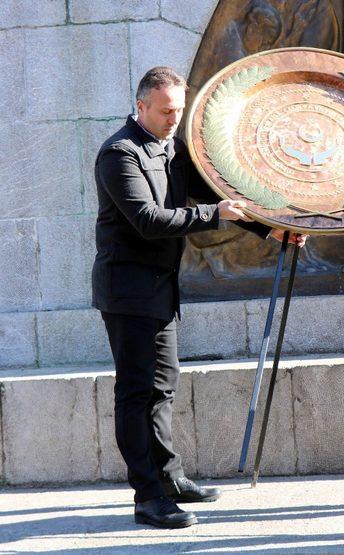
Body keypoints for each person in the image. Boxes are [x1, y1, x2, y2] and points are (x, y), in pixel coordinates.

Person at [92, 66, 304, 529]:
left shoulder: (172, 146)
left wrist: (273, 230)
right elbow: (148, 220)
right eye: (166, 111)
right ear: (141, 105)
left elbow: (216, 193)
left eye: (179, 110)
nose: (174, 118)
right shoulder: (119, 154)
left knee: (163, 388)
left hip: (160, 289)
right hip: (127, 292)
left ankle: (170, 478)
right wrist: (213, 213)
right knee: (136, 393)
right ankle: (147, 497)